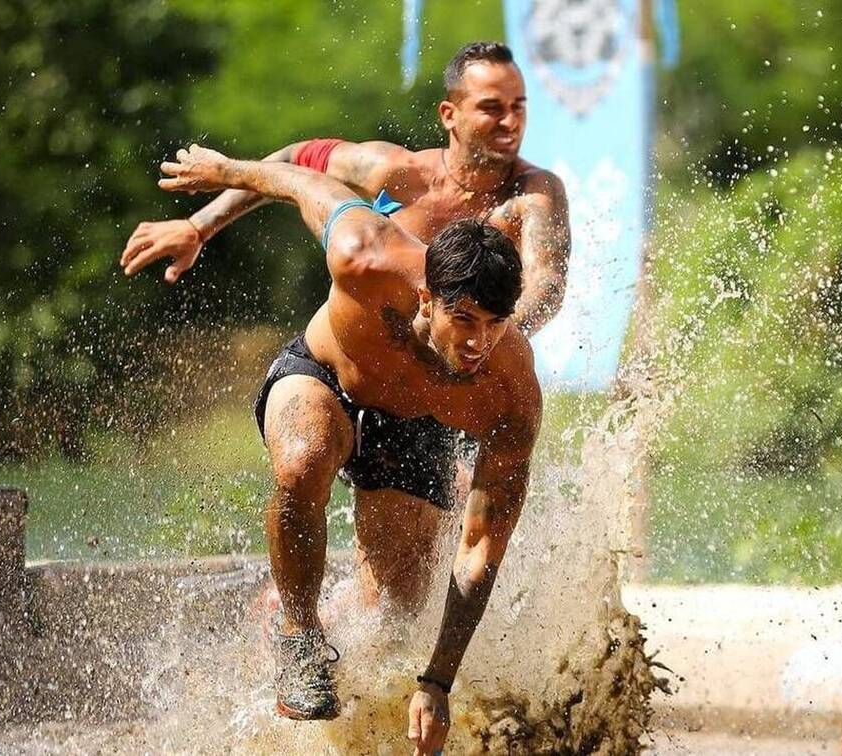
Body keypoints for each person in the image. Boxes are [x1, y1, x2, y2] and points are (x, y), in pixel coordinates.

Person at [156, 143, 542, 756]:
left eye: (495, 325)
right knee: (303, 460)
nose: (479, 343)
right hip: (325, 378)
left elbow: (478, 550)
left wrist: (437, 682)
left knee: (392, 613)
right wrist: (214, 196)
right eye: (465, 320)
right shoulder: (364, 249)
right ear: (426, 298)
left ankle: (308, 631)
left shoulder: (510, 391)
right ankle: (298, 635)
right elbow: (298, 180)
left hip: (415, 429)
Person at [121, 41, 570, 336]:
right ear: (449, 115)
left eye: (519, 107)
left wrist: (486, 340)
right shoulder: (398, 173)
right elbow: (292, 162)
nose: (511, 122)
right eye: (492, 108)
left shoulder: (534, 194)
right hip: (367, 355)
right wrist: (199, 227)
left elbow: (546, 284)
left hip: (457, 374)